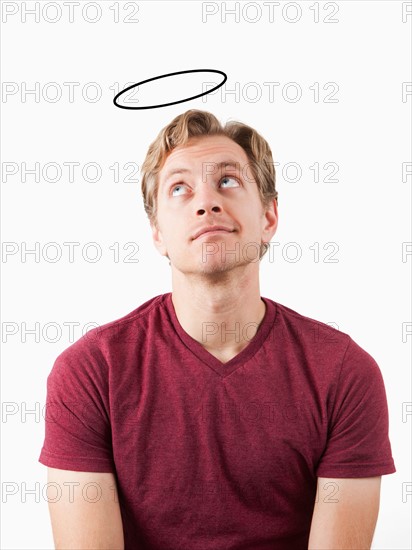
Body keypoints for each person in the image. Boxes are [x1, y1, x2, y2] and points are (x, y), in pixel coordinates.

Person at [39, 109, 396, 549]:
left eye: (228, 180)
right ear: (157, 233)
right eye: (179, 188)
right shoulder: (90, 372)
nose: (206, 202)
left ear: (268, 217)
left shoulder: (343, 373)